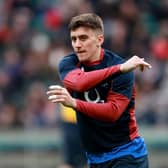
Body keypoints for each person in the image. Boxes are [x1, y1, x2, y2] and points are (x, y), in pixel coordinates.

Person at [47, 13, 151, 168]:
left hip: (126, 154)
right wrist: (119, 69)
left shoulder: (122, 69)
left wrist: (75, 103)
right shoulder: (68, 63)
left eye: (83, 38)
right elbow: (79, 83)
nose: (77, 44)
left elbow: (112, 112)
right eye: (74, 39)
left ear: (99, 40)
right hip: (95, 158)